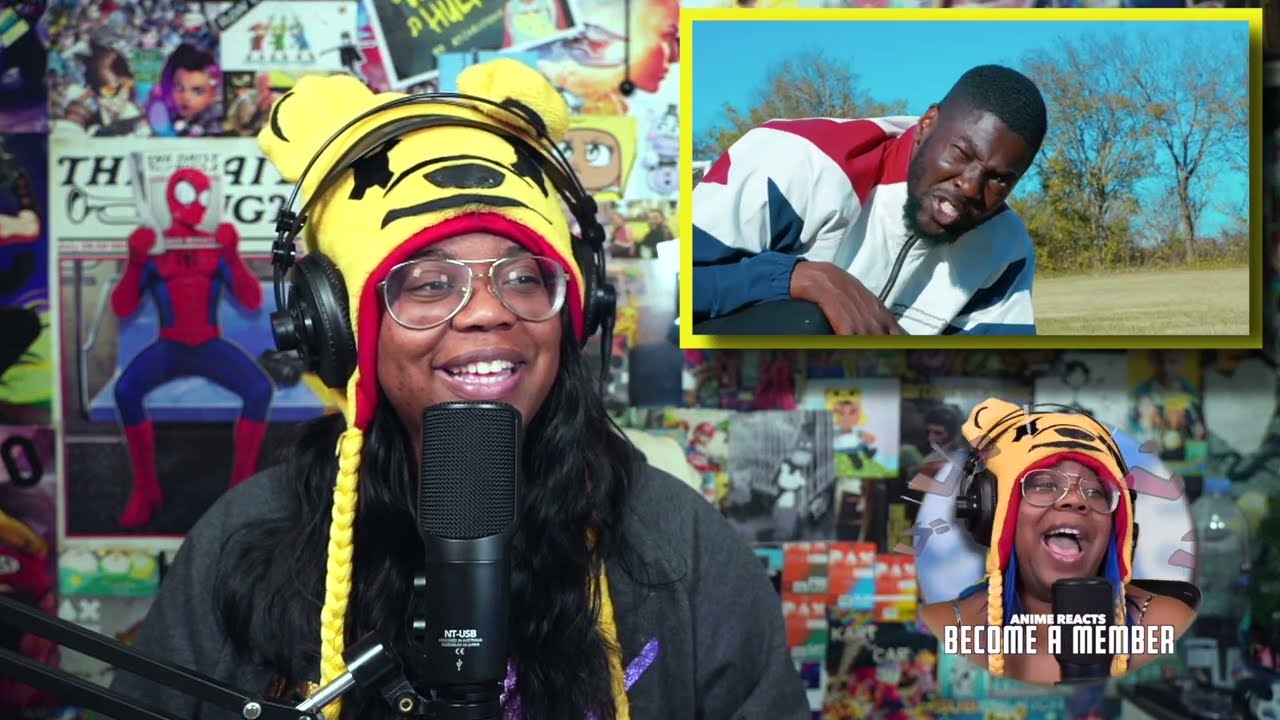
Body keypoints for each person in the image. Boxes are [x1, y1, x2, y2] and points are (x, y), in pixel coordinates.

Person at [108, 59, 808, 720]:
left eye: (523, 276)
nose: (486, 311)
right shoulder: (241, 538)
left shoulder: (680, 544)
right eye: (430, 283)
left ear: (576, 309)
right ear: (338, 326)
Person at [692, 65, 1046, 336]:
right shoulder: (801, 160)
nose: (970, 187)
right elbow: (664, 288)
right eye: (961, 153)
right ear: (927, 124)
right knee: (807, 321)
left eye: (999, 179)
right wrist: (793, 278)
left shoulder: (1006, 247)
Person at [919, 399, 1198, 684]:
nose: (1075, 500)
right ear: (992, 513)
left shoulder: (1165, 622)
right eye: (1045, 485)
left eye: (1096, 491)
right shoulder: (946, 626)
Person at [109, 168, 272, 529]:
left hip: (209, 345)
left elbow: (251, 300)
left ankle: (240, 489)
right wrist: (135, 261)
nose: (196, 204)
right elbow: (122, 307)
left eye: (202, 195)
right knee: (126, 392)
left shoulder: (215, 249)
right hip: (169, 346)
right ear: (172, 197)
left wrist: (233, 255)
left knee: (260, 390)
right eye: (188, 193)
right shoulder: (154, 249)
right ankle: (147, 490)